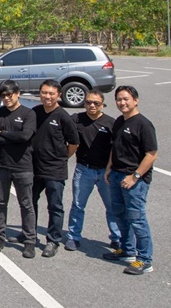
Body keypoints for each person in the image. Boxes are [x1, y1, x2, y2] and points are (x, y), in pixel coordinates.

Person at [103, 86, 158, 275]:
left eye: (126, 99)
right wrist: (109, 167)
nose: (122, 103)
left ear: (136, 100)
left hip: (134, 180)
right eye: (119, 99)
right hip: (117, 175)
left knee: (137, 219)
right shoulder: (119, 121)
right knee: (119, 214)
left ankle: (145, 260)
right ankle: (127, 250)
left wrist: (135, 176)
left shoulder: (143, 124)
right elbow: (115, 147)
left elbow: (151, 154)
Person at [0, 80, 37, 258]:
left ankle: (29, 241)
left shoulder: (28, 114)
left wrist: (2, 133)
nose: (7, 98)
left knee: (26, 205)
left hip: (23, 166)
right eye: (3, 95)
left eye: (10, 94)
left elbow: (25, 136)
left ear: (18, 93)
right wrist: (11, 137)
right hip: (1, 166)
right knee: (0, 203)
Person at [28, 79, 78, 258]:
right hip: (34, 168)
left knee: (55, 206)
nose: (47, 96)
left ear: (58, 95)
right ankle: (29, 234)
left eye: (51, 93)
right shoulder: (35, 112)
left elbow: (73, 143)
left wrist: (62, 158)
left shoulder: (63, 117)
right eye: (44, 92)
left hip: (55, 170)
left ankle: (53, 240)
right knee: (30, 202)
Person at [66, 90, 121, 251]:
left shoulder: (110, 123)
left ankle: (117, 238)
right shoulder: (76, 119)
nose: (92, 105)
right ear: (84, 103)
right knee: (78, 205)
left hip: (105, 172)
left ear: (102, 105)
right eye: (89, 102)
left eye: (96, 103)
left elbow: (117, 148)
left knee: (112, 207)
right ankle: (73, 237)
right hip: (84, 170)